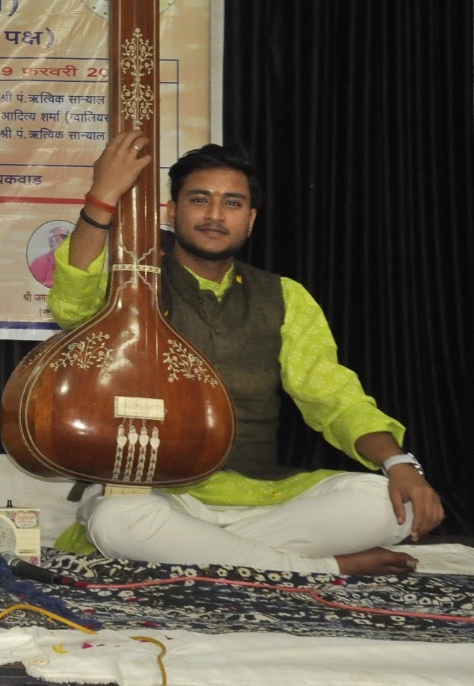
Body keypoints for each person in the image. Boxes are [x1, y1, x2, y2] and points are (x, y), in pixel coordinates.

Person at [49, 133, 445, 576]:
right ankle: (323, 567)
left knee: (391, 504)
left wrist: (399, 463)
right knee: (116, 519)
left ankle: (214, 555)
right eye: (200, 200)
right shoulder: (134, 284)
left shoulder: (283, 296)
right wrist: (103, 196)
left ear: (251, 219)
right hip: (160, 493)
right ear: (172, 210)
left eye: (232, 203)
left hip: (265, 498)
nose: (215, 215)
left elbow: (334, 398)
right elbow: (72, 307)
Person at [28, 222, 71, 288]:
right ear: (51, 241)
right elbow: (32, 286)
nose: (67, 241)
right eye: (63, 237)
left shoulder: (75, 263)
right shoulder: (40, 262)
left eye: (69, 238)